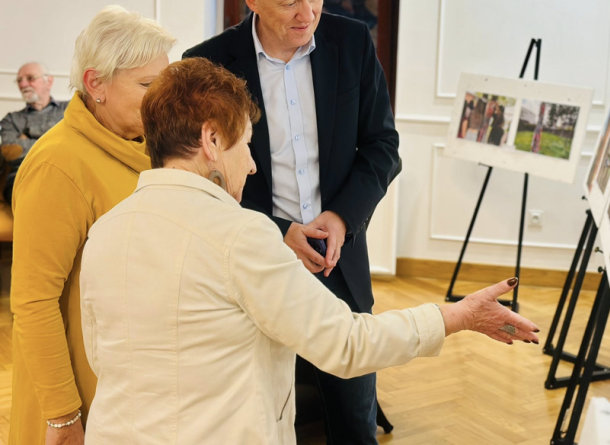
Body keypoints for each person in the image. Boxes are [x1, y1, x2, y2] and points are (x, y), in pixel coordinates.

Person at [79, 57, 541, 444]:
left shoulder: (104, 230)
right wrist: (456, 317)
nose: (253, 163)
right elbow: (346, 344)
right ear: (212, 141)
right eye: (245, 145)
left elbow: (104, 358)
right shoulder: (240, 236)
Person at [182, 0, 398, 441]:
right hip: (253, 264)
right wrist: (281, 231)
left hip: (338, 262)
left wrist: (342, 216)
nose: (308, 13)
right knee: (263, 418)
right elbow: (201, 178)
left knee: (353, 422)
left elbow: (382, 146)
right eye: (290, 2)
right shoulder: (206, 65)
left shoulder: (351, 43)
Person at [9, 6, 174, 445]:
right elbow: (33, 301)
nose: (162, 98)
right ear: (95, 84)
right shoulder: (58, 165)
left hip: (130, 387)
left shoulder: (142, 146)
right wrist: (63, 415)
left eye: (165, 83)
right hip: (79, 398)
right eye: (146, 85)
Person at [0, 62, 67, 202]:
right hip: (23, 177)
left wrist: (26, 139)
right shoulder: (11, 119)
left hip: (66, 173)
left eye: (30, 78)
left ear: (49, 81)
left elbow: (80, 145)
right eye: (19, 80)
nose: (23, 84)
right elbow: (11, 152)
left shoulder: (70, 109)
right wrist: (59, 143)